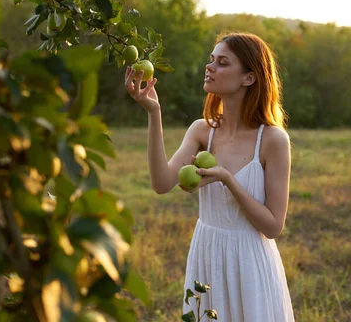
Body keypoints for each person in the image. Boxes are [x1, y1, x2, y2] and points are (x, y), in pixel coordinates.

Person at [124, 31, 294, 321]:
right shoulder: (202, 130)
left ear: (249, 78)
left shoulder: (272, 140)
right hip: (207, 254)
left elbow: (274, 226)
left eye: (222, 62)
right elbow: (162, 183)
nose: (210, 67)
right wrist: (154, 112)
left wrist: (228, 179)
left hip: (250, 262)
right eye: (211, 59)